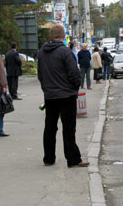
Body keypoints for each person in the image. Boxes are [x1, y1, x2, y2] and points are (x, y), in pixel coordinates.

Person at [37, 25, 89, 167]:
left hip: (50, 96)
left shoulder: (42, 53)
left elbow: (40, 75)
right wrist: (74, 88)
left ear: (50, 35)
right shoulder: (65, 52)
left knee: (50, 127)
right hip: (67, 96)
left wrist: (46, 90)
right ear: (63, 35)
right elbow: (74, 73)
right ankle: (72, 159)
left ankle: (48, 158)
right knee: (69, 128)